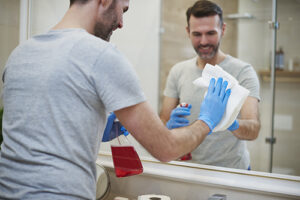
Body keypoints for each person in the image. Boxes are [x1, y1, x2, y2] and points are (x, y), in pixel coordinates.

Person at [0, 0, 231, 199]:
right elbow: (166, 148)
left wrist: (98, 128)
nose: (121, 22)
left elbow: (39, 130)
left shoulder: (21, 53)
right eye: (123, 9)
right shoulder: (101, 54)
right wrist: (207, 120)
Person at [160, 0, 261, 170]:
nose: (204, 41)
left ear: (223, 30)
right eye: (197, 34)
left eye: (210, 33)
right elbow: (163, 120)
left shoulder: (243, 71)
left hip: (232, 171)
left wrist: (230, 122)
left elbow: (253, 129)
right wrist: (168, 126)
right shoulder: (178, 71)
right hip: (190, 171)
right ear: (187, 32)